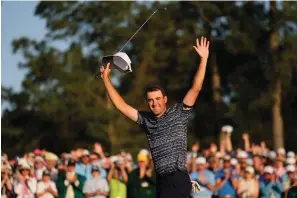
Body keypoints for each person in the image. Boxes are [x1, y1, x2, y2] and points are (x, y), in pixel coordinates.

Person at [100, 36, 209, 198]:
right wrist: (106, 79)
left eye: (158, 99)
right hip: (161, 180)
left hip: (177, 178)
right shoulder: (146, 120)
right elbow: (121, 106)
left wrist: (204, 59)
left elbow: (196, 88)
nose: (154, 103)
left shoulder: (179, 114)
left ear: (164, 99)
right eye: (150, 100)